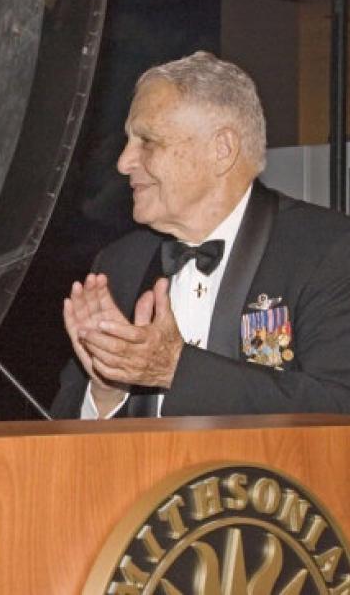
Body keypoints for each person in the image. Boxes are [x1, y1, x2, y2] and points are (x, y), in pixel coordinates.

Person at [51, 51, 350, 419]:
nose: (124, 162)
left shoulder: (329, 250)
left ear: (221, 150)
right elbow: (61, 434)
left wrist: (175, 369)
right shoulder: (120, 263)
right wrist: (105, 389)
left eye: (147, 141)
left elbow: (338, 409)